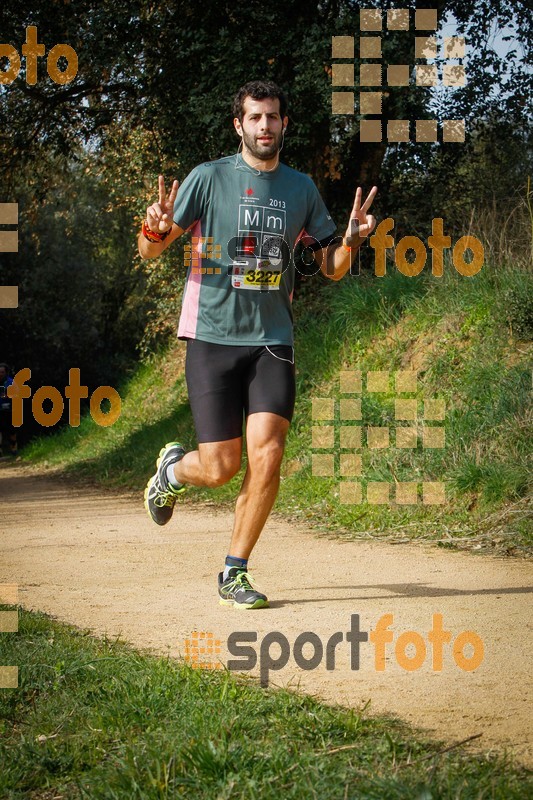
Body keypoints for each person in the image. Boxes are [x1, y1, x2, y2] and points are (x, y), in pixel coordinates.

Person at [138, 80, 376, 609]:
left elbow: (331, 269)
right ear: (239, 125)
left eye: (272, 118)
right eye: (255, 118)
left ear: (284, 125)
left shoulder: (301, 190)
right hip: (211, 336)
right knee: (219, 467)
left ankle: (234, 570)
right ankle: (173, 472)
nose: (264, 126)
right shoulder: (209, 178)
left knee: (267, 454)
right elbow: (150, 251)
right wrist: (155, 229)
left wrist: (353, 240)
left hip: (272, 338)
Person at [0, 363, 17, 457]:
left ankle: (13, 448)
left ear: (6, 372)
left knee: (12, 430)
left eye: (2, 372)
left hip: (10, 409)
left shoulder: (11, 382)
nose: (0, 374)